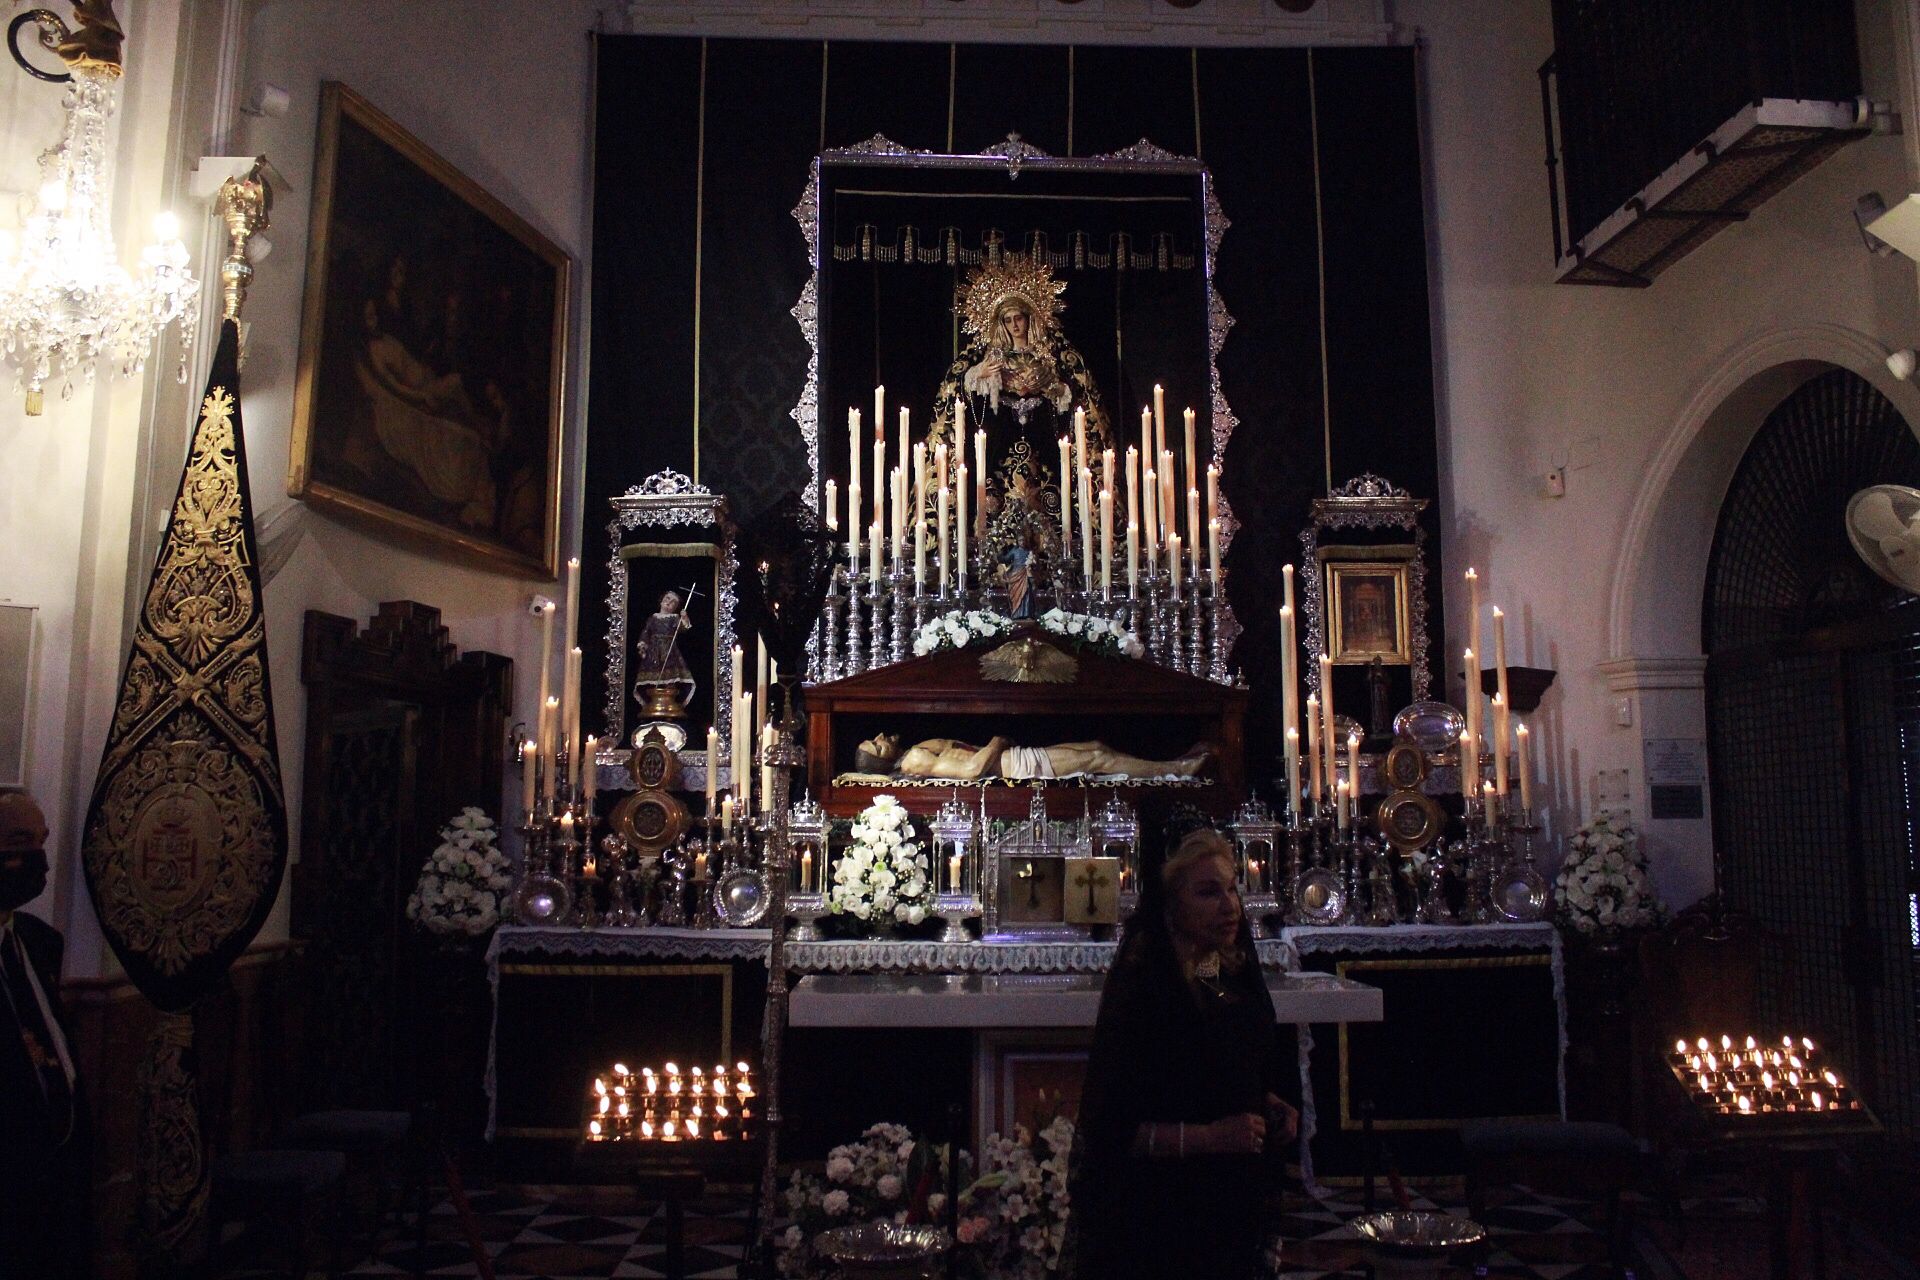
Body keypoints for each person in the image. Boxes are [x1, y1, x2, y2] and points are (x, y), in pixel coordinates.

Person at [1071, 827, 1298, 1280]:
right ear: (1171, 905)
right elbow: (1111, 1131)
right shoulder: (1145, 988)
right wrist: (1212, 1138)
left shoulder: (1212, 967)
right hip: (1157, 1216)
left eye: (1232, 889)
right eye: (1208, 892)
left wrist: (1263, 1102)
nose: (1230, 906)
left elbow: (1220, 1066)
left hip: (1223, 1205)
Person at [0, 792, 88, 1280]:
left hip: (55, 1176)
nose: (35, 857)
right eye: (17, 842)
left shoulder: (36, 942)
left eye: (41, 842)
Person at [881, 736, 1211, 782]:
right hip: (1018, 765)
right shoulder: (914, 759)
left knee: (1096, 746)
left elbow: (957, 747)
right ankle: (1178, 769)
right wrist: (996, 741)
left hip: (1014, 757)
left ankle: (1174, 763)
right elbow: (971, 770)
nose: (881, 736)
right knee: (1097, 758)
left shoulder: (918, 748)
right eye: (876, 745)